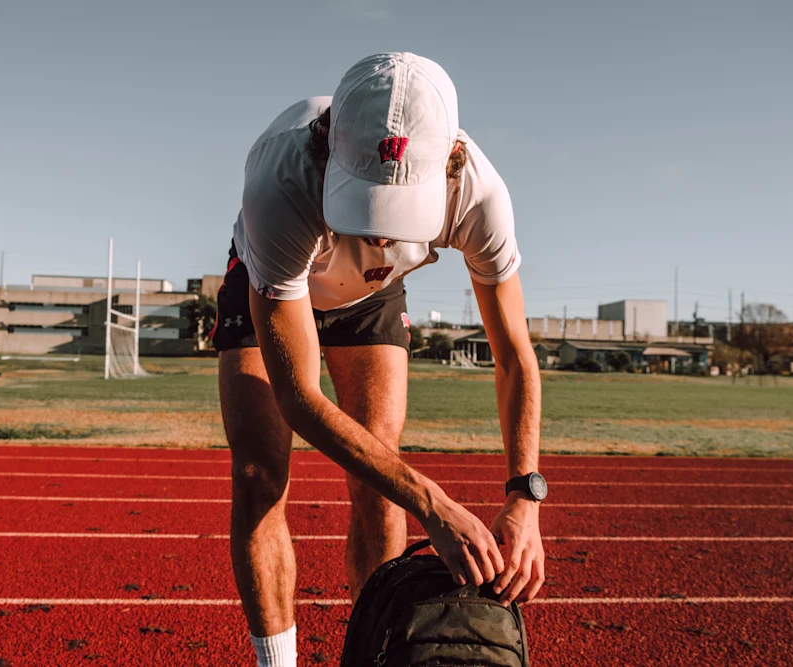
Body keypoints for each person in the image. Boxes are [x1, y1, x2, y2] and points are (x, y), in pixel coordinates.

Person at [211, 52, 546, 667]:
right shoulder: (279, 182)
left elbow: (514, 357)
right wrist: (434, 504)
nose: (385, 233)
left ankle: (377, 654)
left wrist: (524, 495)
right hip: (277, 280)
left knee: (379, 475)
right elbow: (299, 397)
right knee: (258, 475)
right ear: (326, 146)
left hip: (372, 292)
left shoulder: (479, 194)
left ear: (452, 160)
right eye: (366, 200)